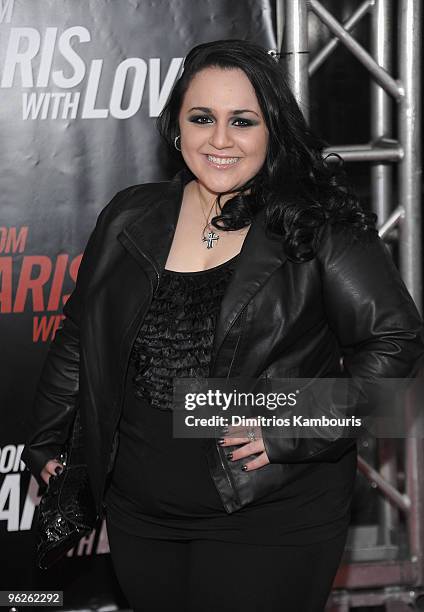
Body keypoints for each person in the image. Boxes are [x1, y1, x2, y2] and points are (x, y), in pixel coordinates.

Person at [22, 39, 424, 612]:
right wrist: (45, 442)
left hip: (270, 513)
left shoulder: (316, 223)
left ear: (273, 129)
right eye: (202, 118)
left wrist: (292, 424)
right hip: (140, 512)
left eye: (243, 121)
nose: (220, 140)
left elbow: (398, 344)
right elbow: (79, 335)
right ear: (177, 126)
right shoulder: (130, 214)